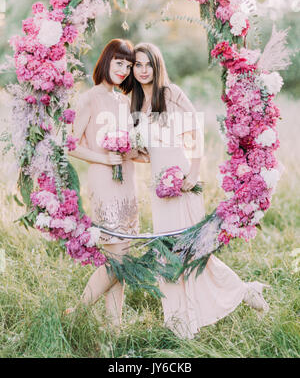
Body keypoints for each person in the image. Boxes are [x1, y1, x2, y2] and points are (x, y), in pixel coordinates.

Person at [128, 42, 270, 339]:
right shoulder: (136, 103)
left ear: (157, 65)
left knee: (190, 252)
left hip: (182, 180)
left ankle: (240, 292)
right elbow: (150, 151)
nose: (142, 71)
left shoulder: (171, 93)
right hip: (159, 186)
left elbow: (195, 131)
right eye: (137, 65)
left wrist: (192, 172)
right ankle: (180, 320)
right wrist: (130, 154)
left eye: (147, 64)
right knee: (167, 253)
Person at [65, 38, 139, 327]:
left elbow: (132, 142)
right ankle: (77, 312)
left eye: (128, 65)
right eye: (119, 62)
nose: (123, 69)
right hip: (103, 177)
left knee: (124, 252)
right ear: (106, 61)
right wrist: (103, 159)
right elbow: (70, 144)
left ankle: (114, 327)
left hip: (127, 177)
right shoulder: (90, 97)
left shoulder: (125, 99)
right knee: (116, 256)